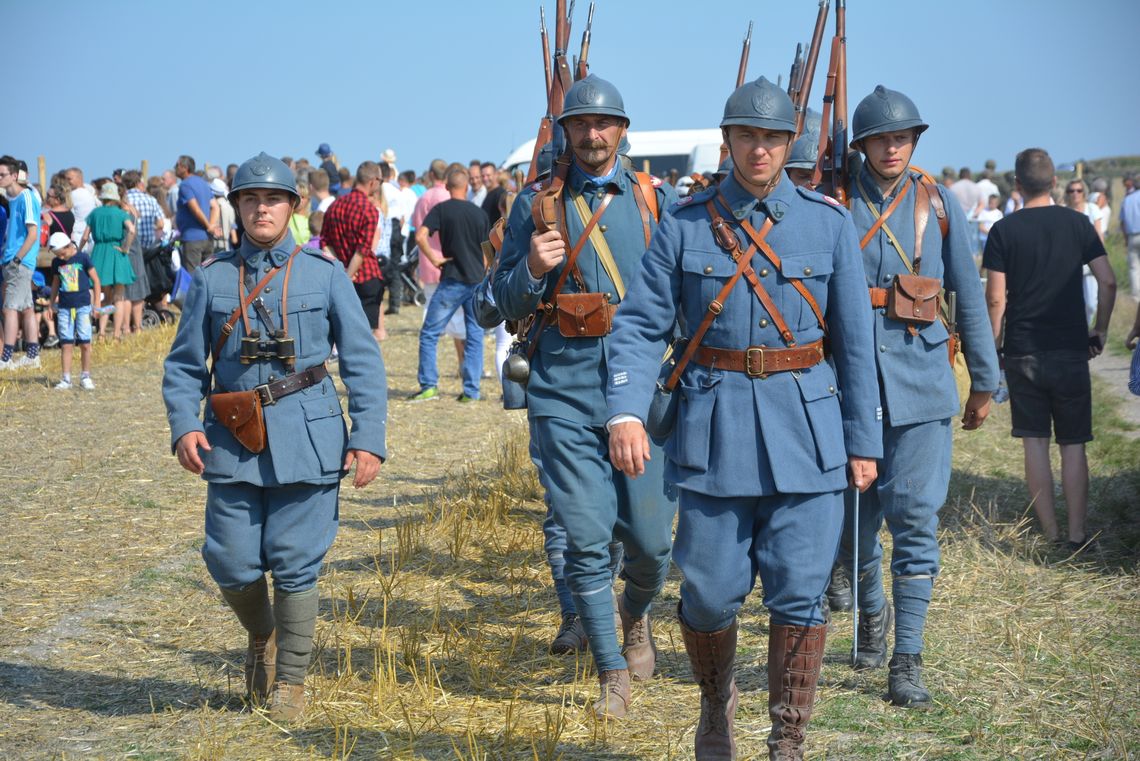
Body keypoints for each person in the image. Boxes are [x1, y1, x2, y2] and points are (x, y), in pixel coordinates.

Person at [606, 76, 881, 758]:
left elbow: (854, 343)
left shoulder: (829, 222)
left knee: (799, 593)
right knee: (711, 593)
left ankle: (788, 734)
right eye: (747, 137)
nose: (760, 150)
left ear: (791, 144)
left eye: (773, 138)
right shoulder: (686, 223)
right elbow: (640, 328)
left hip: (808, 438)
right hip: (713, 434)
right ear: (728, 141)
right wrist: (625, 412)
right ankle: (714, 705)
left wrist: (862, 442)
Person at [162, 152, 387, 722]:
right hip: (232, 440)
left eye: (273, 199)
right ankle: (260, 634)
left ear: (293, 207)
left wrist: (369, 436)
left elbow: (362, 360)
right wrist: (186, 424)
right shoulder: (212, 278)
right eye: (250, 199)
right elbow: (185, 365)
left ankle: (290, 680)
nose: (262, 209)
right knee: (231, 562)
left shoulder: (325, 274)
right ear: (236, 207)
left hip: (308, 438)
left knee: (295, 563)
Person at [493, 74, 680, 721]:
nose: (593, 135)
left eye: (605, 124)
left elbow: (684, 297)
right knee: (586, 535)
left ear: (622, 131)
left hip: (644, 391)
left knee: (653, 543)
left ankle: (634, 616)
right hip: (563, 392)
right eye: (582, 125)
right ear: (566, 132)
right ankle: (612, 671)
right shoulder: (535, 206)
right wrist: (532, 272)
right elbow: (493, 300)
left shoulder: (654, 201)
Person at [829, 86, 1000, 711]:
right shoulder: (834, 200)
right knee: (853, 526)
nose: (891, 146)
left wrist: (984, 379)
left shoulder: (939, 203)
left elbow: (968, 297)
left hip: (922, 384)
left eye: (901, 137)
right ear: (862, 144)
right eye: (880, 137)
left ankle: (908, 659)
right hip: (848, 383)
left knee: (917, 524)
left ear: (914, 141)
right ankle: (870, 611)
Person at [984, 147, 1116, 551]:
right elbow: (1108, 282)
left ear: (1017, 185)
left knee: (1035, 443)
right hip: (1071, 349)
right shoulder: (1079, 224)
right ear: (1056, 181)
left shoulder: (1003, 232)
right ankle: (1077, 534)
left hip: (1023, 350)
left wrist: (992, 349)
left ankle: (1052, 534)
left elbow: (995, 300)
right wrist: (1100, 330)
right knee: (1074, 445)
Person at [410, 168, 489, 402]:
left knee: (430, 333)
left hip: (453, 277)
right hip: (475, 280)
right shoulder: (479, 213)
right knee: (475, 335)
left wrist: (434, 259)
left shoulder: (441, 210)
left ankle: (429, 386)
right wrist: (483, 270)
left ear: (447, 187)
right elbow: (487, 250)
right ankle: (471, 391)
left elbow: (420, 236)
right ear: (466, 187)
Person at [322, 162, 385, 341]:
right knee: (365, 336)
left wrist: (341, 270)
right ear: (373, 181)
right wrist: (349, 275)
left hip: (340, 277)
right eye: (380, 180)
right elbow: (362, 250)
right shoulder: (369, 210)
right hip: (365, 277)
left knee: (346, 334)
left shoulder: (334, 207)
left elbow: (325, 243)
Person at [0, 156, 44, 370]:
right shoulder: (12, 198)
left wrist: (17, 259)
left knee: (9, 309)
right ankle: (33, 354)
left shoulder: (26, 196)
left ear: (14, 176)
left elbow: (33, 233)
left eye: (2, 175)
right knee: (27, 308)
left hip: (19, 260)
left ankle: (6, 358)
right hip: (12, 259)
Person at [79, 183, 136, 340]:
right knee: (119, 296)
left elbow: (84, 237)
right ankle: (117, 334)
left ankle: (101, 333)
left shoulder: (95, 213)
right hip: (116, 252)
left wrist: (78, 251)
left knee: (103, 295)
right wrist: (126, 247)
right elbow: (132, 230)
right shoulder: (121, 213)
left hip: (99, 253)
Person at [48, 232, 100, 389]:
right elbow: (56, 283)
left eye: (62, 253)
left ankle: (85, 376)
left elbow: (96, 281)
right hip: (64, 308)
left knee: (85, 342)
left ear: (68, 246)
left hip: (83, 306)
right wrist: (51, 304)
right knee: (66, 343)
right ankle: (66, 379)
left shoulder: (83, 258)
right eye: (58, 255)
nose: (61, 257)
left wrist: (96, 304)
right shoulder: (56, 262)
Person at [174, 155, 220, 272]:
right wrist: (211, 226)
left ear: (184, 167)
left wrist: (209, 226)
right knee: (208, 275)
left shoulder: (185, 185)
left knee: (192, 277)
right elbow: (215, 206)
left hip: (192, 239)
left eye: (177, 165)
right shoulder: (203, 183)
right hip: (207, 238)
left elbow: (194, 208)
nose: (175, 168)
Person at [1121, 173, 1140, 301]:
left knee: (1134, 267)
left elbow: (1122, 222)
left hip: (1132, 236)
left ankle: (1136, 296)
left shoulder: (1127, 199)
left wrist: (1126, 239)